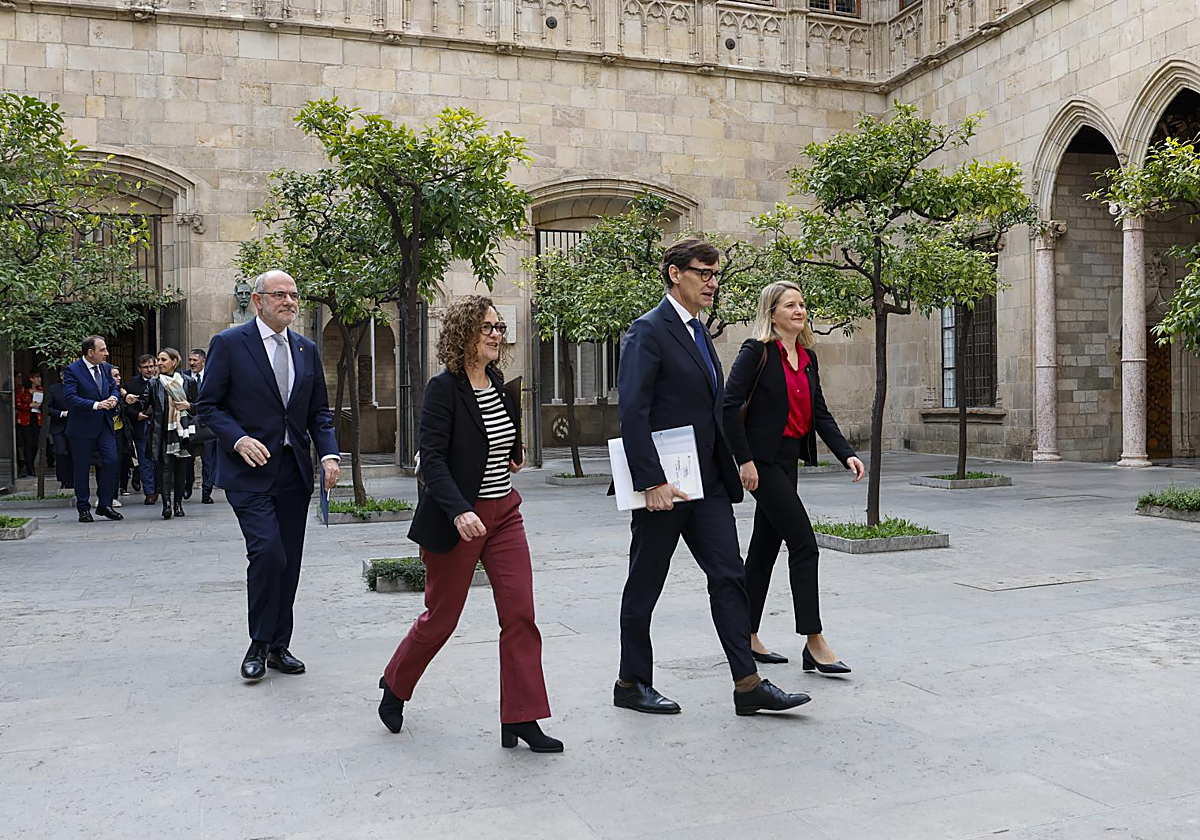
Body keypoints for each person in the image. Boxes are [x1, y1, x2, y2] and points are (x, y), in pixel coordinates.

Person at [614, 238, 811, 717]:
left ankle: (748, 685)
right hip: (665, 487)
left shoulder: (700, 333)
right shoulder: (648, 331)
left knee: (729, 576)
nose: (712, 282)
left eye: (716, 274)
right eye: (704, 273)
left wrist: (735, 463)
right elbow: (633, 411)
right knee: (645, 582)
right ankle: (631, 682)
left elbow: (714, 410)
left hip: (707, 484)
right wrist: (651, 481)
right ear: (674, 273)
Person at [378, 295, 561, 753]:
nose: (497, 334)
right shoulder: (443, 389)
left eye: (499, 327)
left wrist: (512, 455)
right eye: (487, 328)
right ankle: (396, 683)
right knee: (442, 618)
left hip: (505, 514)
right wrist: (460, 510)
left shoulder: (499, 383)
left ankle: (522, 716)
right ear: (464, 334)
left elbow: (496, 442)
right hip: (460, 518)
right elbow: (433, 459)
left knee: (520, 614)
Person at [197, 270, 340, 682]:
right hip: (249, 473)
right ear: (258, 300)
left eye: (294, 295)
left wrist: (329, 454)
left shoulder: (306, 349)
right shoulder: (230, 343)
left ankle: (279, 646)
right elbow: (209, 407)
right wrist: (238, 439)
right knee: (267, 553)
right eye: (280, 294)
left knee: (289, 561)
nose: (290, 301)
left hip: (293, 473)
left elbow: (318, 412)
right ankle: (258, 643)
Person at [722, 281, 866, 673]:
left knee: (764, 549)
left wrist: (847, 454)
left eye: (802, 304)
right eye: (790, 305)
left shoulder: (807, 358)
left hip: (788, 461)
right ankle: (813, 640)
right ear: (772, 313)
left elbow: (819, 413)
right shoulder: (757, 352)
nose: (799, 311)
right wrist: (744, 460)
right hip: (763, 463)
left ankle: (745, 634)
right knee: (805, 544)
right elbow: (729, 406)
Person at [61, 336, 122, 523]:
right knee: (82, 468)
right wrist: (96, 405)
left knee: (112, 460)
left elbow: (114, 388)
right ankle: (83, 508)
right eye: (102, 350)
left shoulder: (106, 368)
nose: (106, 353)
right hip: (82, 427)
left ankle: (105, 504)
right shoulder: (72, 370)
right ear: (90, 352)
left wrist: (114, 398)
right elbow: (70, 398)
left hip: (104, 425)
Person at [145, 349, 201, 520]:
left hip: (183, 432)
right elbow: (144, 402)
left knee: (181, 470)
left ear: (174, 361)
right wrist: (129, 398)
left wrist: (189, 406)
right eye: (158, 360)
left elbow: (200, 405)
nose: (159, 363)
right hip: (163, 432)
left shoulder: (188, 381)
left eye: (163, 360)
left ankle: (178, 504)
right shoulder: (154, 383)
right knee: (165, 468)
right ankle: (167, 505)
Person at [127, 355, 158, 504]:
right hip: (141, 426)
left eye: (151, 366)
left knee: (160, 461)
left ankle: (160, 488)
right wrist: (137, 415)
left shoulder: (162, 382)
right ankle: (150, 492)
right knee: (145, 461)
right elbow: (125, 407)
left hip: (159, 426)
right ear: (139, 369)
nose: (149, 370)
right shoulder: (131, 385)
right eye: (146, 367)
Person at [187, 348, 216, 504]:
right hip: (189, 424)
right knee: (187, 458)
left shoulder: (212, 376)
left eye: (195, 360)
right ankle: (188, 483)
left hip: (208, 425)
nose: (191, 363)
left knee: (208, 460)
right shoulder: (183, 377)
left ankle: (206, 491)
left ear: (203, 361)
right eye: (190, 360)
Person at [44, 377, 73, 489]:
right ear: (61, 376)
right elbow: (45, 407)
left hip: (75, 426)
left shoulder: (79, 387)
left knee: (74, 453)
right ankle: (63, 480)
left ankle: (72, 480)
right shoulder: (54, 389)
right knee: (61, 452)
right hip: (59, 426)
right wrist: (61, 413)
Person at [16, 372, 45, 477]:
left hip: (37, 418)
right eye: (37, 377)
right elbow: (17, 404)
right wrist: (30, 405)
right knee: (28, 442)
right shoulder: (22, 390)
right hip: (25, 418)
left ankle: (31, 463)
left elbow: (46, 403)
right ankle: (29, 468)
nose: (39, 379)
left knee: (35, 444)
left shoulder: (41, 390)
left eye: (40, 377)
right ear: (31, 379)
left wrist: (40, 405)